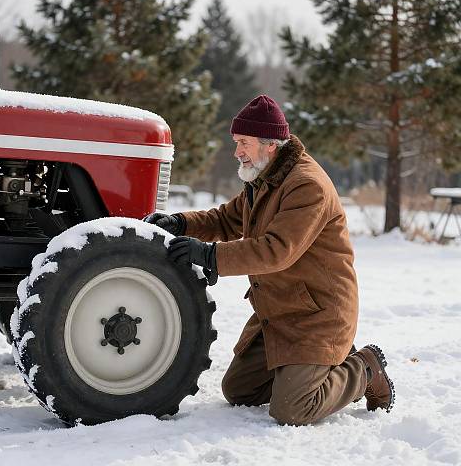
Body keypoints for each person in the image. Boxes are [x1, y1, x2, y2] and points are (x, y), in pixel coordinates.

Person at [144, 95, 395, 425]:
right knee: (238, 392)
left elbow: (277, 250)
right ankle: (319, 365)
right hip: (278, 313)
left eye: (243, 143)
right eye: (237, 143)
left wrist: (209, 255)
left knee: (293, 409)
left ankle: (364, 367)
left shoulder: (307, 186)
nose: (237, 152)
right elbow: (227, 219)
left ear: (270, 145)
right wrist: (181, 223)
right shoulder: (263, 178)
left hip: (316, 314)